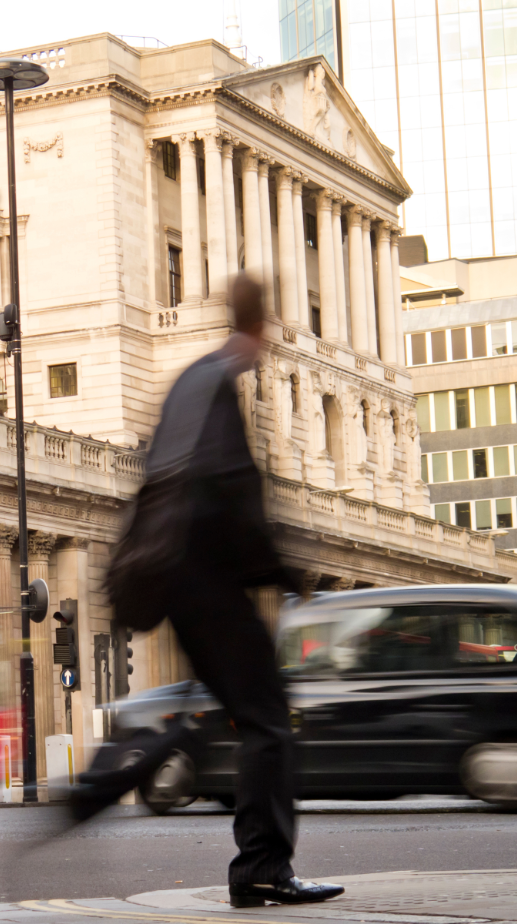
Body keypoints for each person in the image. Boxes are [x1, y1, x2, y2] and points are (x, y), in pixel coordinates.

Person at [72, 276, 343, 908]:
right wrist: (282, 574)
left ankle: (124, 786)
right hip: (203, 578)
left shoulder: (192, 377)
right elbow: (229, 486)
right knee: (268, 720)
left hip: (179, 579)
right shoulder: (219, 380)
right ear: (261, 328)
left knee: (232, 711)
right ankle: (262, 867)